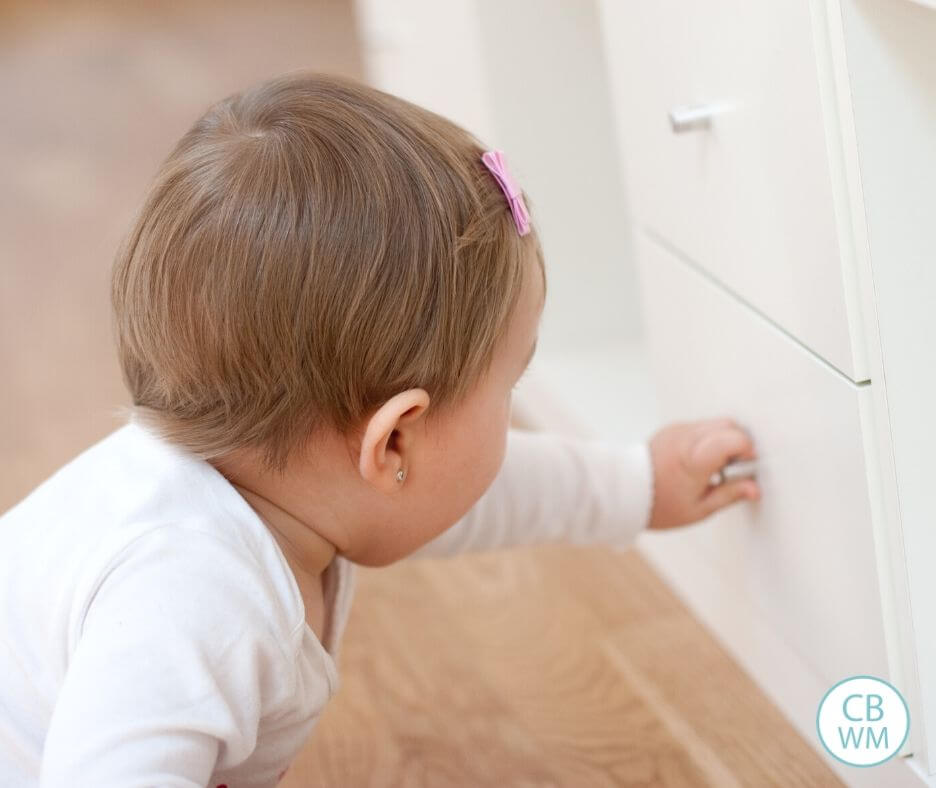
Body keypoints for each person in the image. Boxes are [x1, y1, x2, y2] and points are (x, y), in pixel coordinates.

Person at [0, 71, 760, 787]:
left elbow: (474, 486)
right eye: (509, 386)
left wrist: (639, 484)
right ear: (394, 442)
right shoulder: (192, 602)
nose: (508, 417)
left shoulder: (302, 480)